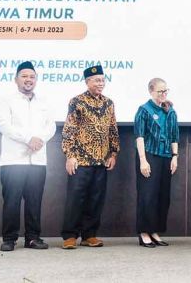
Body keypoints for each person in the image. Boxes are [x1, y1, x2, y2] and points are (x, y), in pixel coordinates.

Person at [0, 61, 56, 252]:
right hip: (13, 160)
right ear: (16, 79)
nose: (28, 80)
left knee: (34, 202)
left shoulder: (44, 101)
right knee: (11, 202)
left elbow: (51, 126)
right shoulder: (7, 100)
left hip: (38, 160)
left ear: (36, 80)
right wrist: (28, 138)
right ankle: (9, 239)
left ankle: (33, 238)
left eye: (32, 77)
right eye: (24, 76)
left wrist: (40, 139)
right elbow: (3, 125)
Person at [60, 65, 120, 249]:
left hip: (101, 160)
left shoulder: (109, 103)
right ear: (87, 82)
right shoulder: (77, 101)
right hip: (80, 159)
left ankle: (89, 235)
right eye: (96, 80)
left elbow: (112, 129)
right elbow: (69, 129)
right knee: (76, 198)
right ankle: (70, 236)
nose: (100, 83)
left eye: (102, 80)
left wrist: (113, 153)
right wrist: (70, 155)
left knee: (96, 199)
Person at [134, 78, 179, 248]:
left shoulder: (171, 111)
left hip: (166, 156)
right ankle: (144, 232)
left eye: (166, 91)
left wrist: (175, 156)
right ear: (151, 92)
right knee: (148, 195)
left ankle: (154, 231)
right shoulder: (144, 110)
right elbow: (139, 136)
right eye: (160, 91)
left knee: (162, 196)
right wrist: (143, 160)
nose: (163, 94)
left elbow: (175, 135)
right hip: (149, 155)